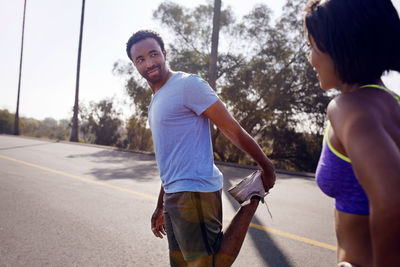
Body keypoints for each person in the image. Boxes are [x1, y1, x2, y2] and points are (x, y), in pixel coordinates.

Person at [125, 30, 275, 266]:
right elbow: (171, 159)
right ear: (135, 65)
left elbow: (231, 128)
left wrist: (266, 165)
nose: (149, 63)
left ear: (164, 53)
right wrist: (160, 204)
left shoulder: (187, 85)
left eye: (153, 54)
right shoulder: (156, 100)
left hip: (195, 193)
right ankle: (252, 196)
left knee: (210, 265)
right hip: (175, 195)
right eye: (140, 59)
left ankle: (253, 197)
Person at [304, 0, 400, 266]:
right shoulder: (392, 104)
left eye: (312, 46)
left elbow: (394, 200)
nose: (310, 59)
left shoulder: (348, 108)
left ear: (340, 46)